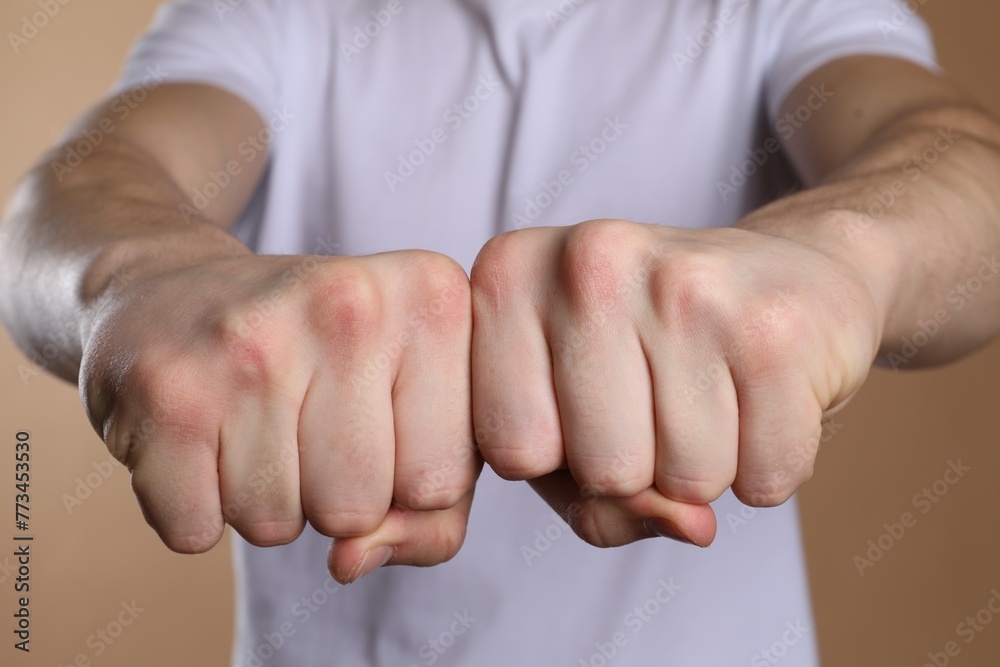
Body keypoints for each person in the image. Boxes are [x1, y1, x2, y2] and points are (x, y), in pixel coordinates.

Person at [2, 0, 999, 664]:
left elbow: (962, 164)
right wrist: (140, 278)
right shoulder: (271, 12)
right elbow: (82, 185)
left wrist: (838, 266)